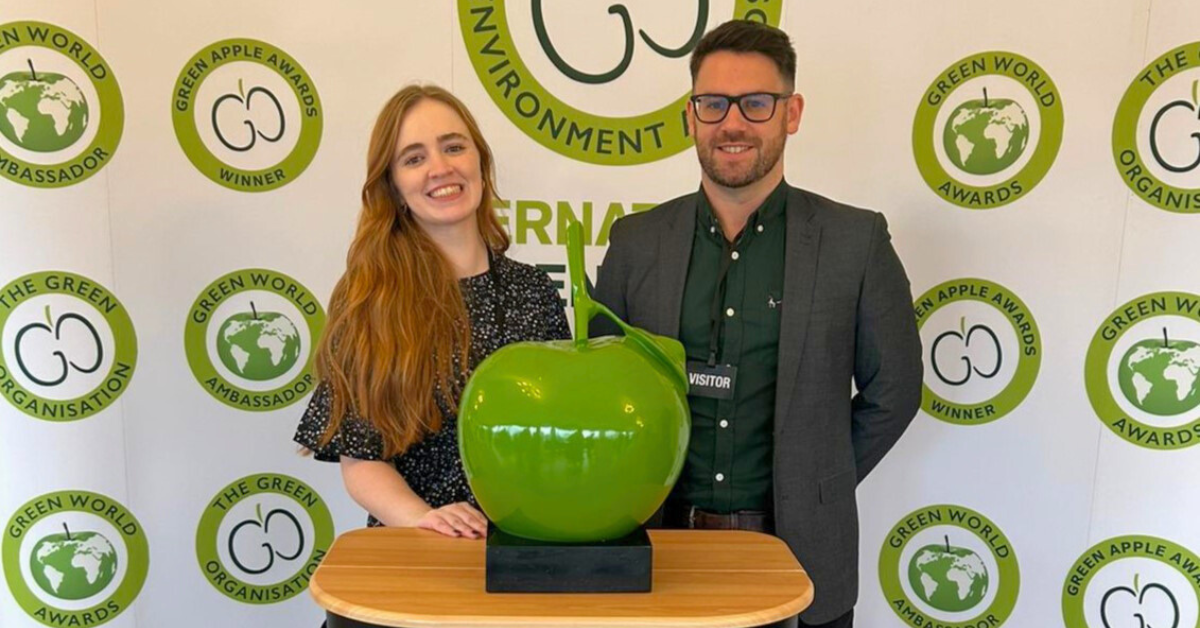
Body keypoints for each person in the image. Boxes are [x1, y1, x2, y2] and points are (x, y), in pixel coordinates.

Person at [593, 21, 923, 628]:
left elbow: (895, 391)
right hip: (656, 550)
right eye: (713, 104)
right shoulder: (635, 243)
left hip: (800, 556)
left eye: (757, 103)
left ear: (790, 113)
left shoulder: (856, 242)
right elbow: (600, 389)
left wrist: (815, 475)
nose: (733, 122)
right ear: (690, 116)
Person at [294, 85, 570, 539]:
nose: (440, 168)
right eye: (414, 158)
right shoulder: (369, 297)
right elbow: (361, 460)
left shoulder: (535, 290)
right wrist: (424, 518)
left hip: (522, 548)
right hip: (416, 550)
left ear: (480, 162)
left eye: (454, 147)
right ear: (394, 186)